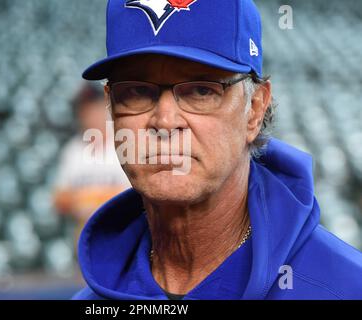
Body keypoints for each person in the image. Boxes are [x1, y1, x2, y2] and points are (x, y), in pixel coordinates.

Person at [73, 0, 362, 299]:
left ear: (255, 109)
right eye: (136, 92)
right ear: (110, 106)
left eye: (201, 90)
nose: (165, 121)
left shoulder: (346, 287)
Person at [53, 82, 130, 257]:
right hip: (86, 240)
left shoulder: (124, 146)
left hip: (124, 236)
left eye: (96, 109)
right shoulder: (72, 151)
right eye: (86, 111)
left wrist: (88, 200)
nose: (91, 116)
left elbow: (136, 197)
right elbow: (59, 199)